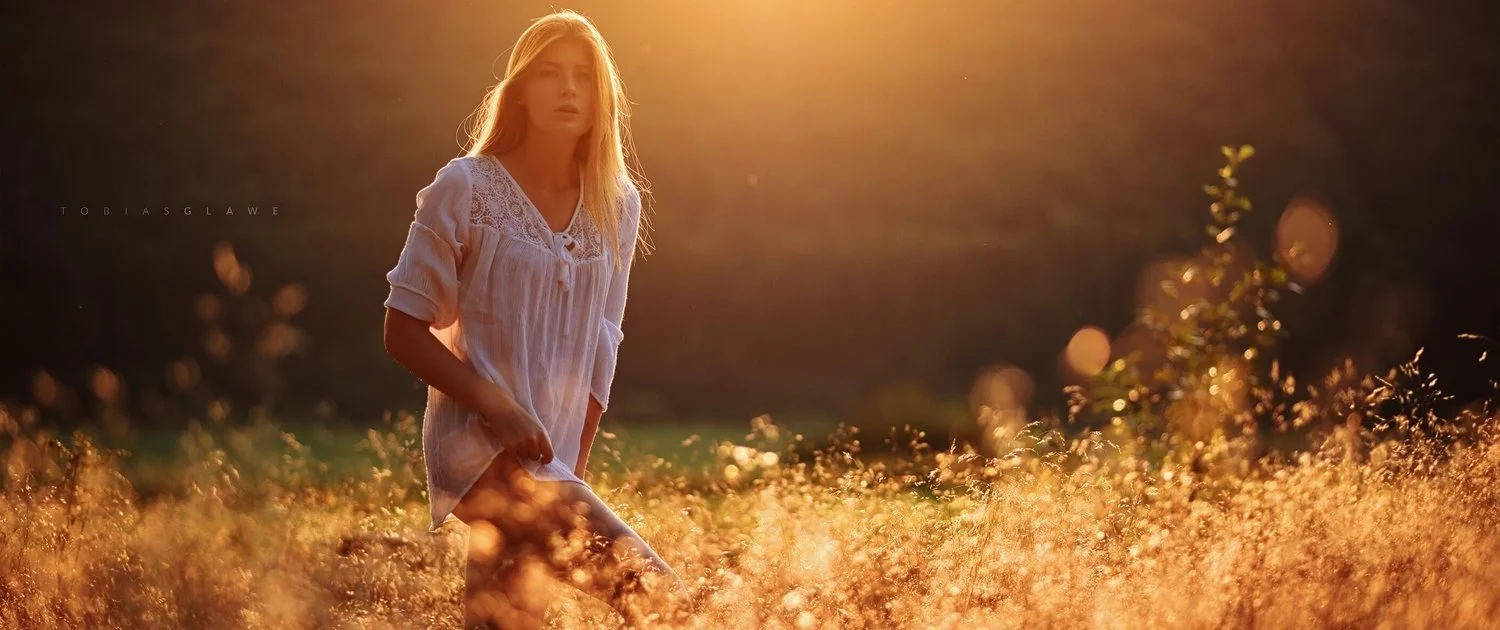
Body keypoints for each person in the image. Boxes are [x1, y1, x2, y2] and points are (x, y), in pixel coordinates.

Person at [381, 10, 686, 628]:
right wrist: (497, 405)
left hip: (551, 457)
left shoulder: (616, 201)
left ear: (604, 96)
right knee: (658, 597)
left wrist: (573, 469)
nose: (569, 89)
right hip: (478, 448)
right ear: (519, 88)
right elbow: (403, 329)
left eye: (583, 76)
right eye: (549, 73)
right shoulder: (464, 187)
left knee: (506, 620)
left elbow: (604, 341)